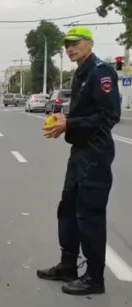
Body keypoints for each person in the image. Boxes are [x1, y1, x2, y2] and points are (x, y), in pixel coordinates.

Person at [38, 27, 121, 295]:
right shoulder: (82, 71)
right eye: (67, 45)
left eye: (75, 43)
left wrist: (68, 124)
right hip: (80, 151)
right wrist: (65, 123)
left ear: (89, 43)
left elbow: (108, 117)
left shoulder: (101, 71)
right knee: (68, 208)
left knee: (90, 213)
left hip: (95, 153)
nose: (70, 48)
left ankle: (94, 277)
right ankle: (68, 265)